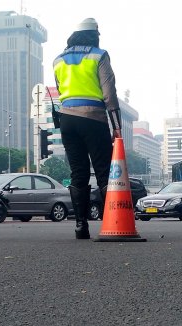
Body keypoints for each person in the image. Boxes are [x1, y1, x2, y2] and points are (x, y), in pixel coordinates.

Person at [53, 18, 122, 239]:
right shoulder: (99, 55)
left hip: (66, 120)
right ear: (94, 36)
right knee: (104, 172)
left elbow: (59, 88)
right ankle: (113, 222)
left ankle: (81, 226)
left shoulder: (58, 60)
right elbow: (109, 93)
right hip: (93, 118)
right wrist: (117, 127)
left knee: (78, 172)